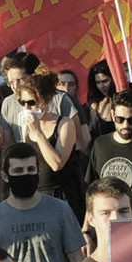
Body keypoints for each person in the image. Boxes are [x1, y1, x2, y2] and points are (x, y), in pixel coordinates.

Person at [12, 69, 84, 214]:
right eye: (22, 102)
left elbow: (57, 164)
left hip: (61, 195)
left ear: (47, 99)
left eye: (31, 102)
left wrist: (39, 134)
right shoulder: (26, 125)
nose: (27, 107)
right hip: (36, 194)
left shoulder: (64, 124)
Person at [88, 92, 132, 196]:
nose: (125, 125)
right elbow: (91, 185)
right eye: (120, 119)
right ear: (112, 115)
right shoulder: (100, 144)